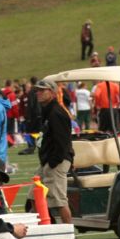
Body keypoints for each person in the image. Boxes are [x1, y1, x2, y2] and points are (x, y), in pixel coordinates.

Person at [29, 79, 73, 224]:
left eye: (43, 90)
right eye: (38, 90)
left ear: (53, 93)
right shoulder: (47, 111)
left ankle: (70, 237)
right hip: (48, 161)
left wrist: (53, 162)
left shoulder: (56, 113)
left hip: (56, 162)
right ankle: (42, 230)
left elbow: (63, 142)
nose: (39, 93)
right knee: (34, 197)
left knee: (59, 200)